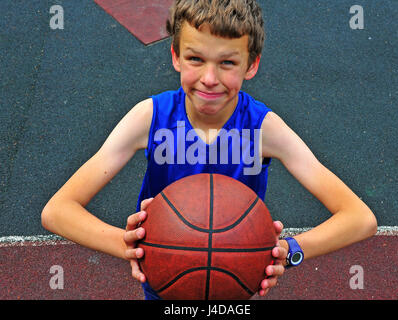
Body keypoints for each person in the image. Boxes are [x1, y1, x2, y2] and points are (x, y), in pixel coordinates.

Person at [41, 0, 377, 300]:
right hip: (167, 282)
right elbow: (57, 211)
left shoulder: (263, 128)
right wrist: (128, 246)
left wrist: (287, 250)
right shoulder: (151, 118)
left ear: (251, 65)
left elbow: (360, 218)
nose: (209, 78)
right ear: (176, 56)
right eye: (195, 59)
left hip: (235, 285)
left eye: (228, 63)